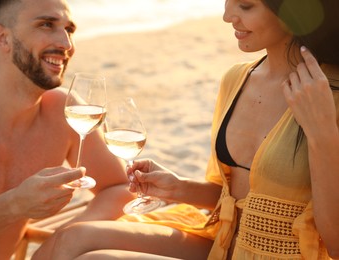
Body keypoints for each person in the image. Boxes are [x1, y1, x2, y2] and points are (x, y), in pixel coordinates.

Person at [32, 0, 339, 259]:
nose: (227, 15)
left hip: (282, 253)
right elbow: (230, 196)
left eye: (245, 5)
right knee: (71, 238)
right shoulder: (237, 78)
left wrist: (322, 134)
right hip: (221, 241)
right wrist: (177, 187)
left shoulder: (331, 94)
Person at [0, 0, 135, 259]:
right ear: (2, 37)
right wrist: (15, 205)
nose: (66, 44)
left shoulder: (63, 110)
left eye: (69, 29)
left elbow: (119, 188)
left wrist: (62, 241)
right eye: (46, 25)